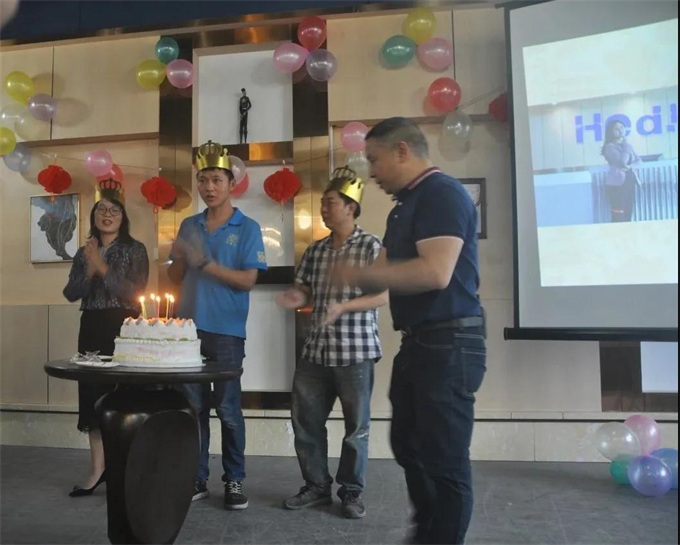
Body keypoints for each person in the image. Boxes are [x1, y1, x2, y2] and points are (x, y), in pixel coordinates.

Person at [337, 117, 486, 544]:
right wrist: (345, 277)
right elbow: (382, 273)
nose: (371, 172)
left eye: (375, 160)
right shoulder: (404, 206)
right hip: (420, 341)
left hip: (450, 341)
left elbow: (435, 272)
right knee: (407, 443)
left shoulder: (441, 193)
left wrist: (363, 273)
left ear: (402, 150)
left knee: (444, 458)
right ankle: (427, 532)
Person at [277, 166, 387, 519]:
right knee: (306, 423)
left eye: (330, 202)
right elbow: (305, 291)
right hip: (316, 349)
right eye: (323, 203)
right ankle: (316, 486)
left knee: (356, 427)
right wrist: (295, 297)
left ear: (350, 207)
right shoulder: (316, 250)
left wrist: (344, 306)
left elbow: (382, 295)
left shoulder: (370, 246)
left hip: (356, 351)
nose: (323, 208)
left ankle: (352, 491)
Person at [168, 140, 267, 510]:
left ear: (231, 184)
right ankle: (196, 478)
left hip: (227, 331)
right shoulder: (188, 224)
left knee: (228, 409)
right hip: (187, 331)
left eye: (216, 180)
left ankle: (234, 480)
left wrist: (205, 263)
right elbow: (174, 276)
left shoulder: (248, 227)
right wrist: (180, 258)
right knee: (192, 409)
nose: (208, 187)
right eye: (203, 180)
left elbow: (248, 281)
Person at [63, 189, 149, 498]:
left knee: (124, 397)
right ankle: (98, 470)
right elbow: (71, 293)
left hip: (125, 326)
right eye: (101, 209)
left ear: (123, 217)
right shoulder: (84, 251)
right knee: (92, 398)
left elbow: (134, 291)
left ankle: (126, 468)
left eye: (114, 210)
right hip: (92, 326)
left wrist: (102, 267)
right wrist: (89, 269)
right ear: (93, 216)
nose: (107, 214)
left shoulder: (135, 249)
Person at [602, 119, 640, 223]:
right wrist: (626, 145)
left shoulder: (627, 146)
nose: (620, 130)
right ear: (611, 132)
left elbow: (638, 161)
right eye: (616, 128)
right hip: (617, 184)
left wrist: (630, 167)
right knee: (618, 213)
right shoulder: (609, 147)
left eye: (622, 127)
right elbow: (623, 161)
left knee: (628, 210)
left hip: (630, 180)